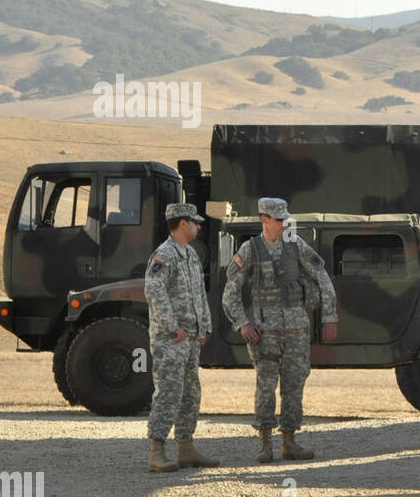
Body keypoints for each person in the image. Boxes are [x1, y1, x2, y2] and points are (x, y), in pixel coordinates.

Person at [222, 198, 338, 463]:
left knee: (295, 385)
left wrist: (330, 317)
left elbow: (323, 278)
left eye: (286, 219)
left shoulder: (297, 246)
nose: (285, 223)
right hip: (264, 333)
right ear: (264, 220)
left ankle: (289, 441)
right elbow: (231, 292)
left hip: (297, 330)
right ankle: (264, 444)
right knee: (266, 387)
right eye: (279, 219)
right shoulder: (249, 250)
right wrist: (242, 322)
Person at [144, 202, 218, 472]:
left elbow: (199, 294)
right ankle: (157, 452)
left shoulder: (191, 255)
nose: (199, 226)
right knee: (169, 393)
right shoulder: (164, 255)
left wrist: (205, 326)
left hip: (190, 339)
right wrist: (173, 326)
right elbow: (154, 291)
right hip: (171, 340)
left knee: (190, 394)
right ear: (182, 223)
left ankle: (186, 448)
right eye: (195, 222)